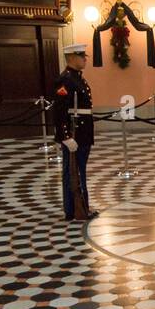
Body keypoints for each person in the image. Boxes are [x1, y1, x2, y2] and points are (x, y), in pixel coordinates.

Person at [53, 43, 100, 221]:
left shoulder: (77, 78)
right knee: (72, 171)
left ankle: (82, 206)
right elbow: (60, 111)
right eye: (82, 56)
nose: (85, 59)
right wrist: (65, 137)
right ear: (71, 57)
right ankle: (72, 210)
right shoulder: (65, 80)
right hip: (75, 134)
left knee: (79, 171)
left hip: (83, 133)